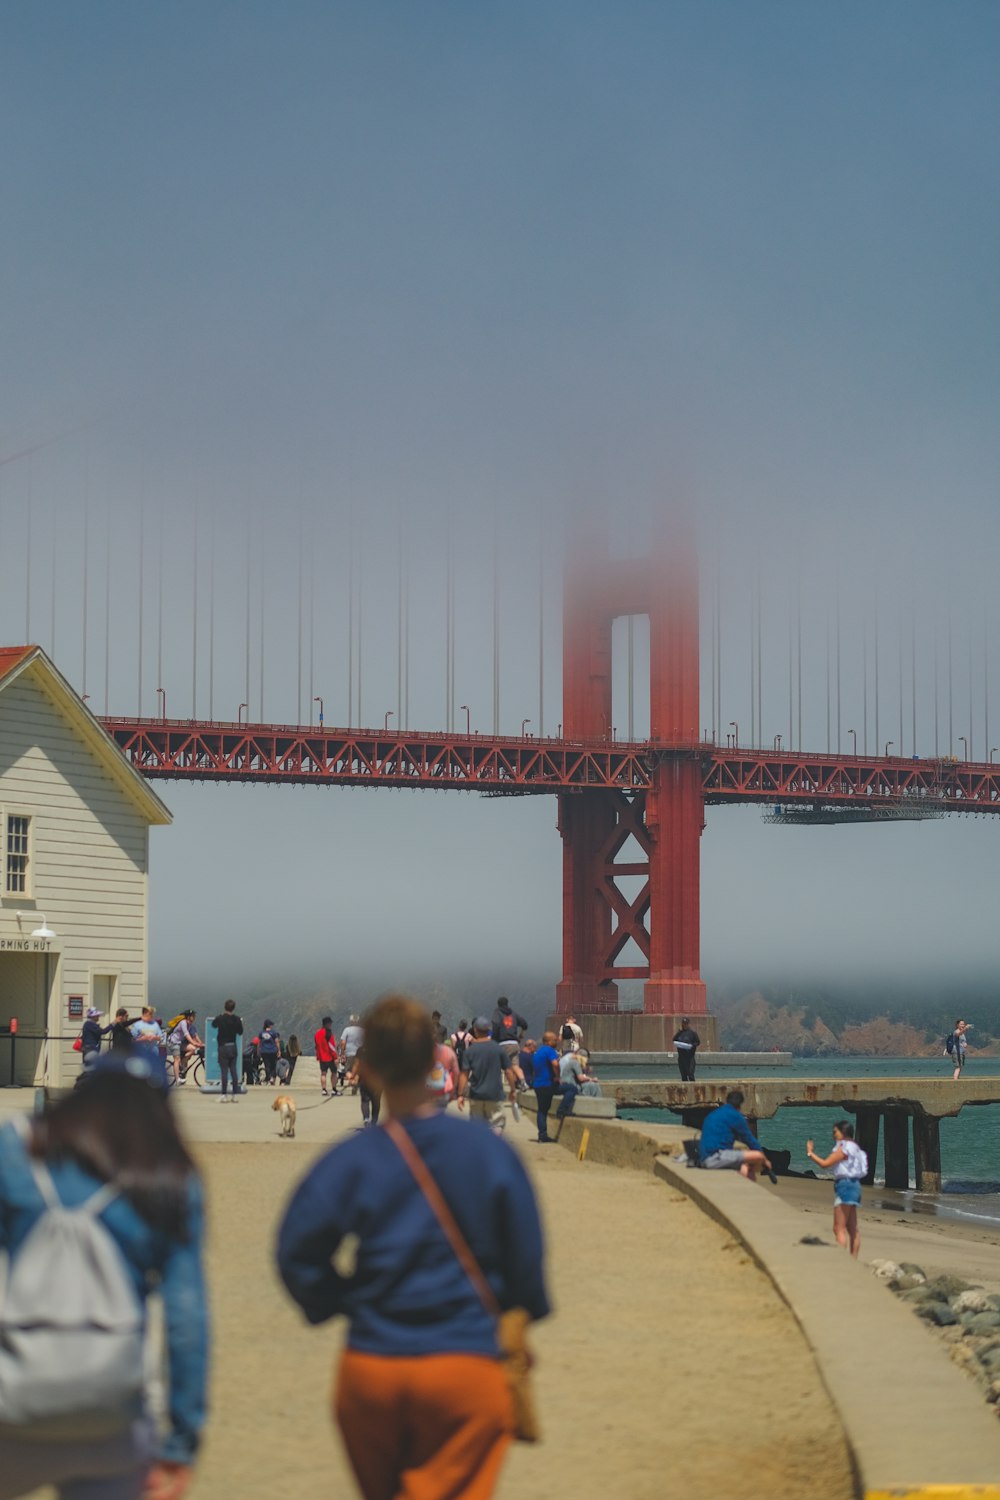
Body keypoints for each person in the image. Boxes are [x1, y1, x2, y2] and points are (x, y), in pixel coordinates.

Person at [276, 995, 549, 1500]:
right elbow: (526, 1262)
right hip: (465, 1368)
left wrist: (341, 1300)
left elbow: (295, 1250)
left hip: (372, 1369)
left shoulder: (351, 1160)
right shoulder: (490, 1154)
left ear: (368, 1069)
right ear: (434, 1060)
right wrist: (516, 1306)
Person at [0, 1049, 208, 1500]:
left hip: (9, 1400)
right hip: (111, 1413)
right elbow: (186, 1319)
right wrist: (182, 1440)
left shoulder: (14, 1148)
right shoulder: (169, 1177)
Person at [805, 1120, 866, 1258]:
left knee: (839, 1228)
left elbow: (825, 1164)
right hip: (855, 1185)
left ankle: (842, 1259)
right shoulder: (855, 1147)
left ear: (843, 1132)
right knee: (852, 1229)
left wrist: (810, 1153)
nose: (833, 1135)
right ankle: (853, 1259)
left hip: (845, 1185)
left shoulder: (843, 1147)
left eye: (835, 1132)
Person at [698, 1089, 777, 1183]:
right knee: (757, 1155)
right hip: (715, 1157)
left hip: (703, 1157)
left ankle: (748, 1186)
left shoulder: (714, 1114)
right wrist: (765, 1160)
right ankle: (764, 1168)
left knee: (746, 1169)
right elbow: (750, 1140)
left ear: (727, 1101)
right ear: (740, 1104)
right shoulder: (735, 1116)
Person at [456, 1018, 517, 1134]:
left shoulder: (470, 1051)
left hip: (476, 1094)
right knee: (497, 1124)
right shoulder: (498, 1049)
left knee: (477, 1126)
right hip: (494, 1094)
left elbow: (464, 1074)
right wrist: (513, 1090)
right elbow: (509, 1071)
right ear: (489, 1029)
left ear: (475, 1030)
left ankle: (479, 1149)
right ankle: (493, 1146)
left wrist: (460, 1095)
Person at [531, 1030, 577, 1143]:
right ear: (548, 1041)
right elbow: (555, 1064)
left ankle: (542, 1136)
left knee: (542, 1110)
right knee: (572, 1089)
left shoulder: (538, 1053)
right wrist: (557, 1076)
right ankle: (562, 1110)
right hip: (548, 1084)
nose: (557, 1041)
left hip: (537, 1085)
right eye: (555, 1040)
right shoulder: (550, 1051)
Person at [211, 998, 243, 1100]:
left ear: (225, 1007)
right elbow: (240, 1032)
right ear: (233, 1008)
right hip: (233, 1046)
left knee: (224, 1071)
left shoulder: (220, 1018)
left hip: (223, 1047)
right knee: (233, 1070)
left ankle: (224, 1095)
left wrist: (221, 1015)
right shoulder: (237, 1019)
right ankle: (234, 1095)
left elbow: (213, 1024)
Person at [428, 1025, 460, 1109]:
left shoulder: (417, 1052)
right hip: (442, 1093)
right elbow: (456, 1073)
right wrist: (452, 1092)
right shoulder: (448, 1051)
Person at [314, 1018, 339, 1097]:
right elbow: (331, 1046)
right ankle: (334, 1089)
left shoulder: (317, 1033)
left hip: (321, 1057)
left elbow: (316, 1045)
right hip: (329, 1057)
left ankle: (324, 1090)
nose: (331, 1025)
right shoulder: (329, 1033)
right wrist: (335, 1057)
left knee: (323, 1073)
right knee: (334, 1073)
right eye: (330, 1023)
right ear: (327, 1024)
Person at [340, 1014, 365, 1088]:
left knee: (348, 1070)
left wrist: (342, 1053)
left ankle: (352, 1081)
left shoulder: (347, 1030)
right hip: (360, 1053)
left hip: (349, 1053)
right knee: (358, 1069)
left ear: (351, 1021)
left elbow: (343, 1042)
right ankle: (355, 1082)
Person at [673, 1018, 701, 1082]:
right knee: (683, 1075)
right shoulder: (680, 1033)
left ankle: (693, 1089)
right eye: (683, 1024)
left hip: (690, 1057)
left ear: (688, 1024)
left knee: (690, 1074)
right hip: (681, 1057)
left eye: (686, 1024)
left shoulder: (692, 1033)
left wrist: (691, 1045)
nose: (684, 1025)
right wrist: (679, 1032)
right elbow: (674, 1040)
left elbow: (698, 1042)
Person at [259, 1019, 280, 1084]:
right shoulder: (273, 1033)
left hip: (264, 1051)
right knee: (273, 1065)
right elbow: (277, 1042)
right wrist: (279, 1050)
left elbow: (259, 1043)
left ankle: (268, 1077)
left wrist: (259, 1051)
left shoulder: (261, 1033)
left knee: (267, 1065)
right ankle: (272, 1078)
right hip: (272, 1051)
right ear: (269, 1025)